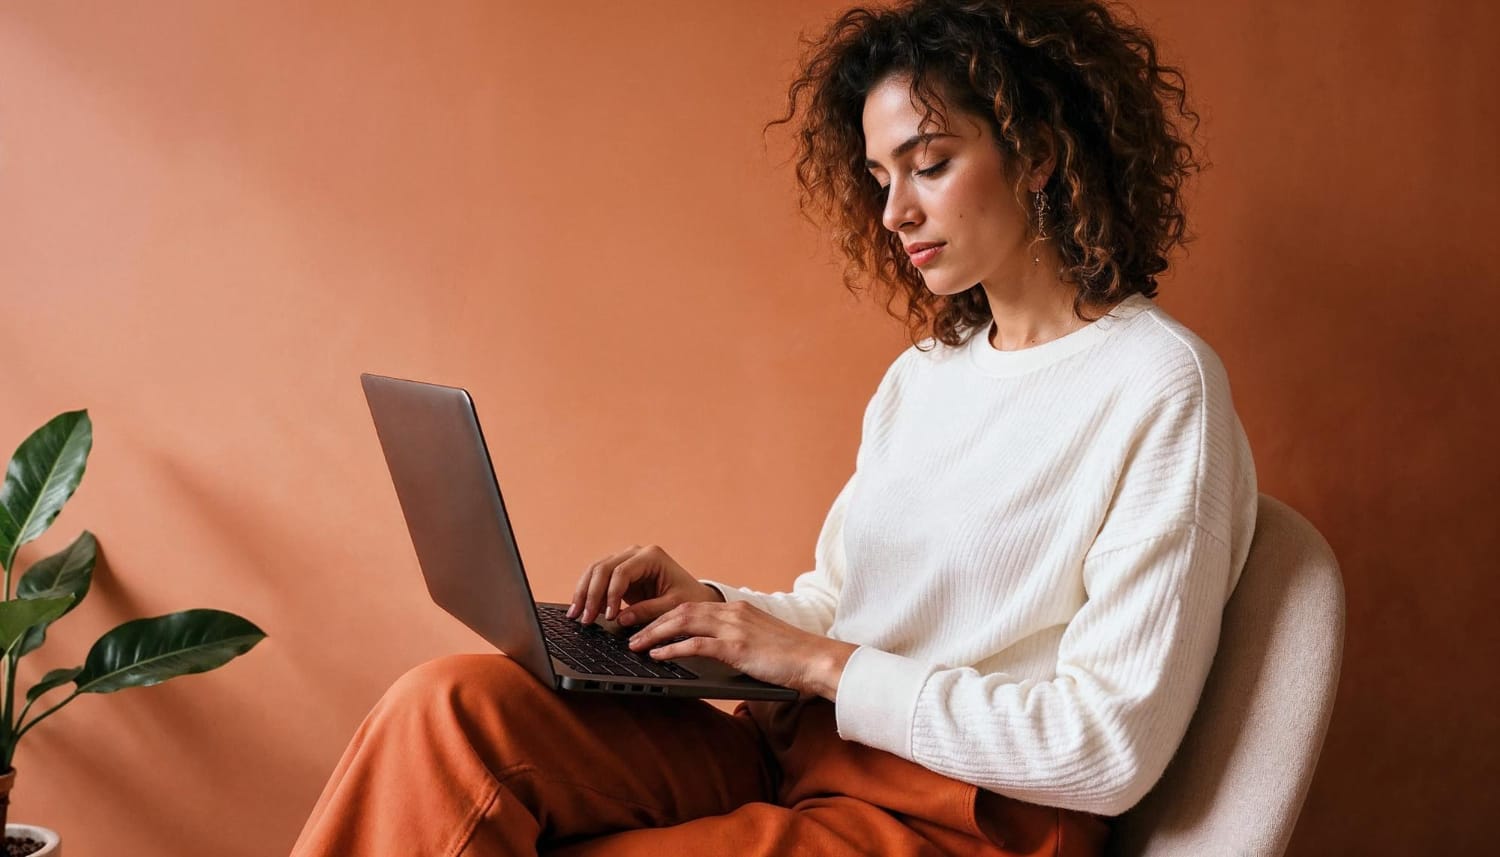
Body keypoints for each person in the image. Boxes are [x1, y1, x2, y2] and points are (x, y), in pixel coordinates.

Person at [291, 1, 1257, 854]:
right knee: (449, 710)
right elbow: (845, 605)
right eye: (881, 175)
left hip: (962, 819)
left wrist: (812, 662)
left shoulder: (1159, 385)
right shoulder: (926, 377)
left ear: (1038, 150)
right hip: (802, 747)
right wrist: (708, 610)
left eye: (930, 163)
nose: (897, 211)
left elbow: (1108, 749)